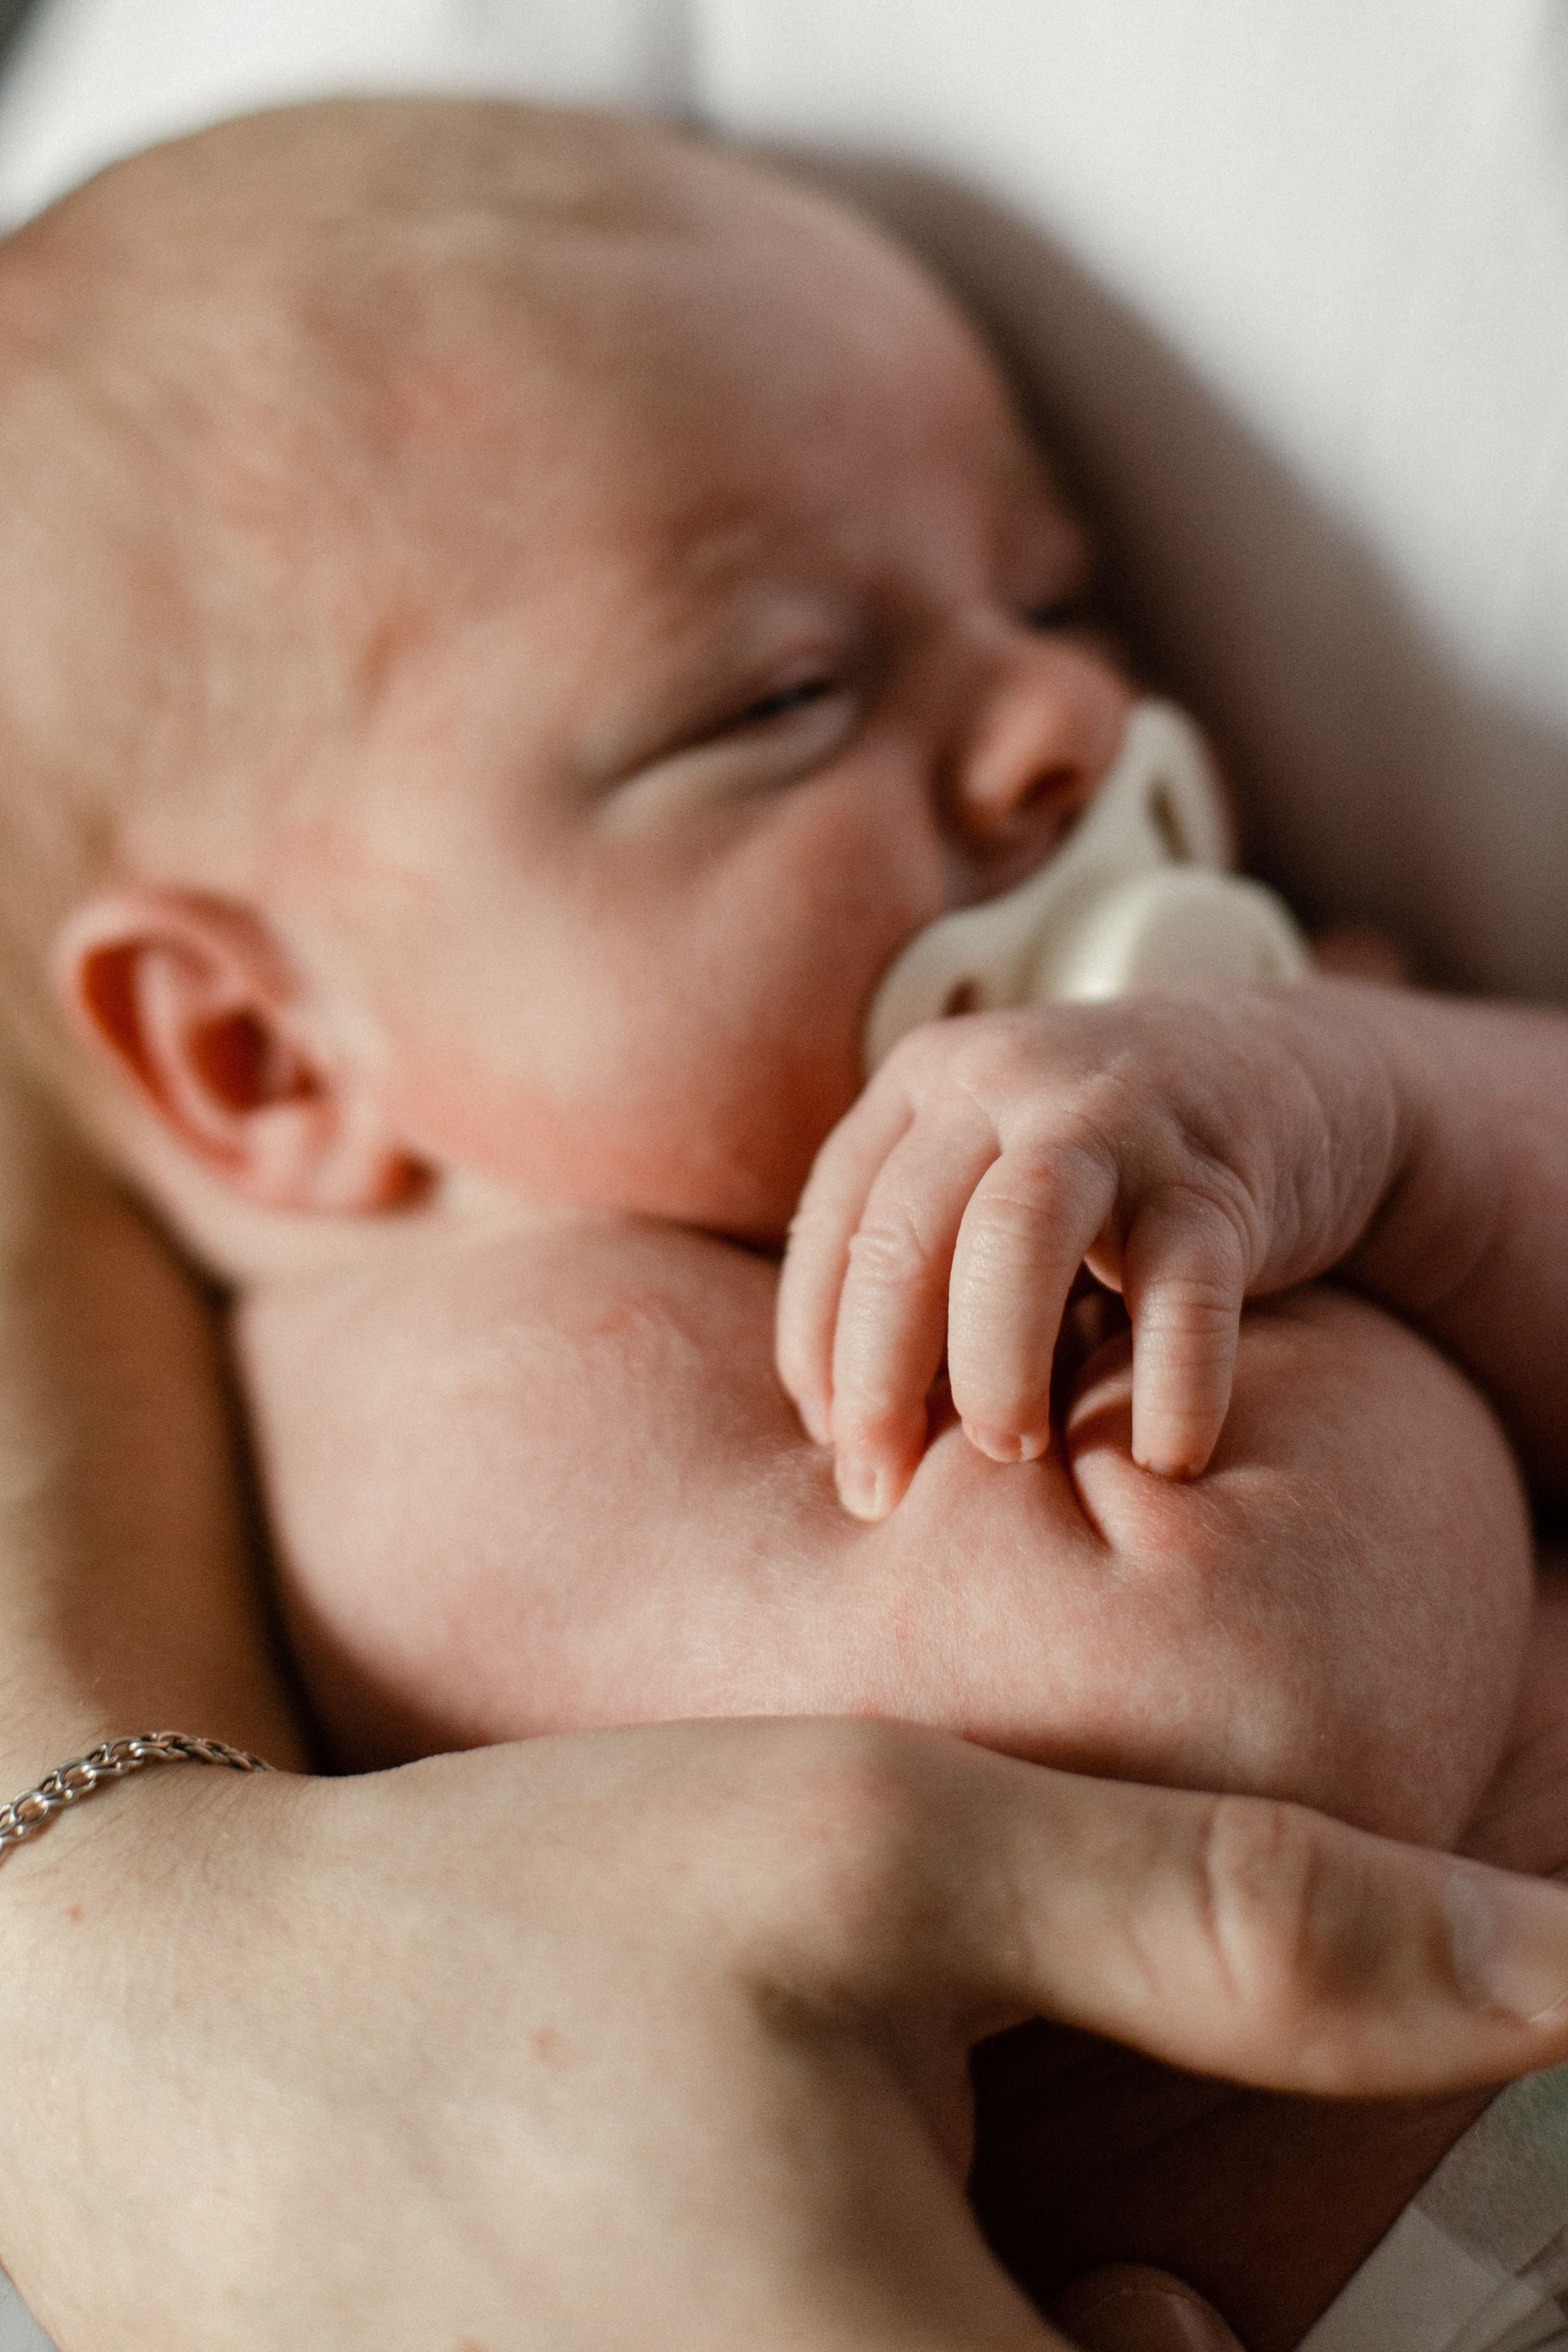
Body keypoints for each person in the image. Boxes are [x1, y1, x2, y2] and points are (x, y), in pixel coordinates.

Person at [0, 89, 1563, 2352]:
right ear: (263, 1059)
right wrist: (1369, 1176)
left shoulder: (1177, 1111)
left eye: (1049, 590)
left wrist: (1360, 1114)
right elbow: (1249, 1695)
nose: (1064, 712)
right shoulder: (479, 1393)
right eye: (787, 692)